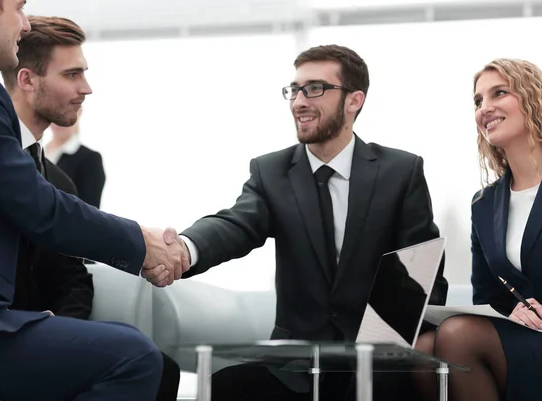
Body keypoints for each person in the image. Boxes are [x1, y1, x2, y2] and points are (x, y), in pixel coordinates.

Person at [144, 44, 448, 400]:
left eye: (315, 88)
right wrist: (184, 248)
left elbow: (423, 271)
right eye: (295, 90)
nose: (299, 101)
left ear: (354, 100)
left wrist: (389, 345)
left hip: (378, 363)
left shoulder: (401, 171)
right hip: (296, 367)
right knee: (225, 386)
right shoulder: (271, 171)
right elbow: (237, 225)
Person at [0, 1, 188, 400]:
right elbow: (40, 209)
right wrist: (142, 242)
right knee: (135, 356)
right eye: (18, 8)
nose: (23, 24)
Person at [416, 58, 542, 401]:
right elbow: (489, 297)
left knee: (458, 335)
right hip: (523, 338)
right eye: (478, 101)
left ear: (534, 99)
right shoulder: (484, 204)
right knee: (423, 348)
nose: (485, 108)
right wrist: (511, 309)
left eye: (499, 93)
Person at [46, 109, 106, 209]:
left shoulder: (90, 159)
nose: (57, 121)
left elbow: (89, 211)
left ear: (79, 112)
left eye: (64, 114)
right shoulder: (36, 151)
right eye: (53, 114)